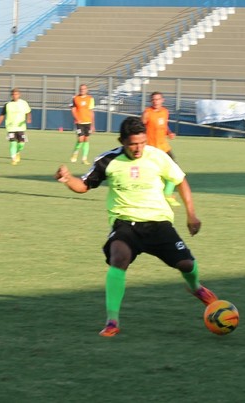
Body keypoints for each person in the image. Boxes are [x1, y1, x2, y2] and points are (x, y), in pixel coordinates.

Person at [54, 116, 219, 337]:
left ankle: (196, 287)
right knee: (118, 258)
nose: (139, 148)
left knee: (187, 264)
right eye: (133, 144)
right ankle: (112, 320)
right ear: (122, 141)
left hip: (158, 223)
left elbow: (180, 180)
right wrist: (67, 179)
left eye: (142, 142)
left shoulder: (158, 157)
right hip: (125, 224)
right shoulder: (108, 161)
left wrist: (191, 215)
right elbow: (84, 185)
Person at [142, 91, 180, 206]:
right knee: (153, 173)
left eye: (158, 99)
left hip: (164, 147)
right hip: (151, 149)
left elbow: (164, 125)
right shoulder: (147, 113)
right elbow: (139, 127)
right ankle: (158, 196)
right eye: (153, 99)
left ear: (162, 100)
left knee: (175, 170)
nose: (156, 101)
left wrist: (169, 132)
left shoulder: (165, 112)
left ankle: (167, 194)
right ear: (151, 101)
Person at [0, 88, 32, 165]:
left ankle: (17, 152)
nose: (15, 96)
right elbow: (1, 115)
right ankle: (13, 158)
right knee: (13, 143)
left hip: (21, 127)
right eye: (13, 94)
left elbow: (28, 112)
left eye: (16, 94)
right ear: (11, 95)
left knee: (21, 144)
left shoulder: (24, 103)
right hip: (11, 127)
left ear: (19, 95)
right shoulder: (7, 105)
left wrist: (28, 118)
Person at [69, 84, 95, 165]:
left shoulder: (90, 99)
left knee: (86, 139)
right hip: (79, 122)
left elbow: (91, 112)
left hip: (88, 122)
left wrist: (93, 124)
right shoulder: (75, 98)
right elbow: (73, 110)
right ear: (79, 90)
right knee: (80, 139)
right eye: (81, 89)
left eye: (84, 89)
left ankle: (84, 158)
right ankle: (75, 153)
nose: (82, 90)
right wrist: (77, 118)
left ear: (86, 90)